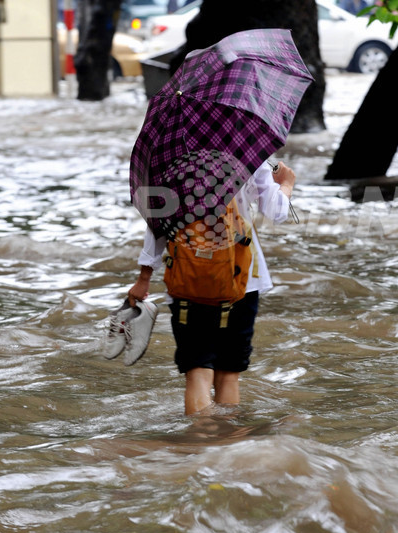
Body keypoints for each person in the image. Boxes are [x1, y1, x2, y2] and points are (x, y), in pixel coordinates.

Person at [127, 159, 296, 416]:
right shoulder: (249, 157)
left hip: (187, 279)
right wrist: (286, 184)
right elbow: (277, 212)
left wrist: (144, 278)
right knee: (229, 374)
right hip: (242, 281)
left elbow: (157, 225)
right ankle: (226, 438)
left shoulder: (172, 160)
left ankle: (198, 438)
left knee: (198, 371)